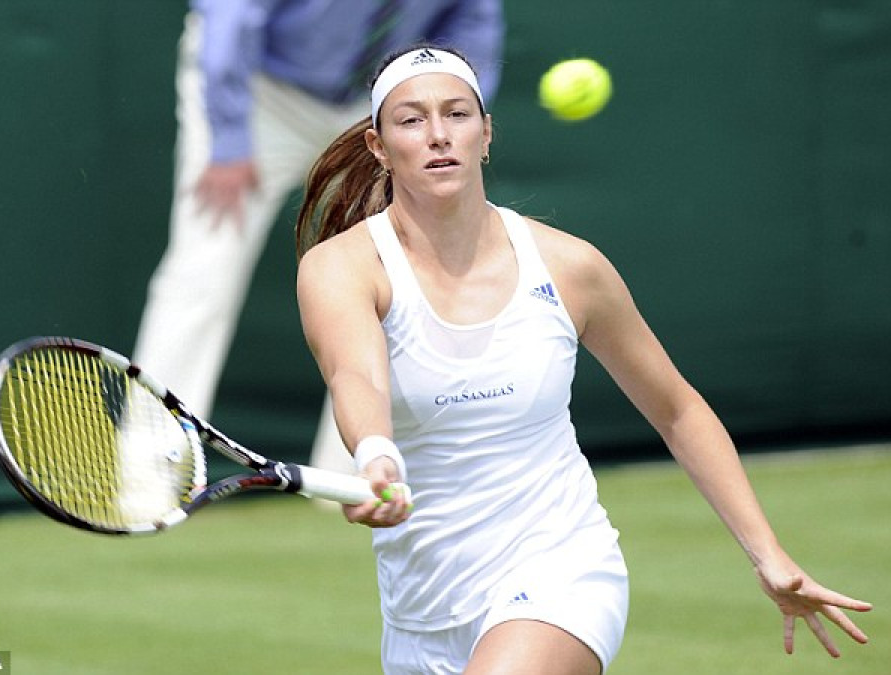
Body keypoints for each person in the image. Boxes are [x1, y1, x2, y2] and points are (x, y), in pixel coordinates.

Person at [293, 44, 873, 674]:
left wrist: (770, 556)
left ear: (485, 134)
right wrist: (377, 453)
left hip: (560, 570)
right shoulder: (341, 269)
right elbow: (356, 376)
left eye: (457, 114)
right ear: (379, 147)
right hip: (421, 611)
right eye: (411, 120)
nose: (438, 135)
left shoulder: (571, 267)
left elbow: (677, 410)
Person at [133, 0, 505, 477]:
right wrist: (228, 138)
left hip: (371, 109)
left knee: (395, 272)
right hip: (255, 89)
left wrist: (451, 131)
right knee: (205, 271)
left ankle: (362, 473)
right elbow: (230, 16)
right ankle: (149, 472)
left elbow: (470, 31)